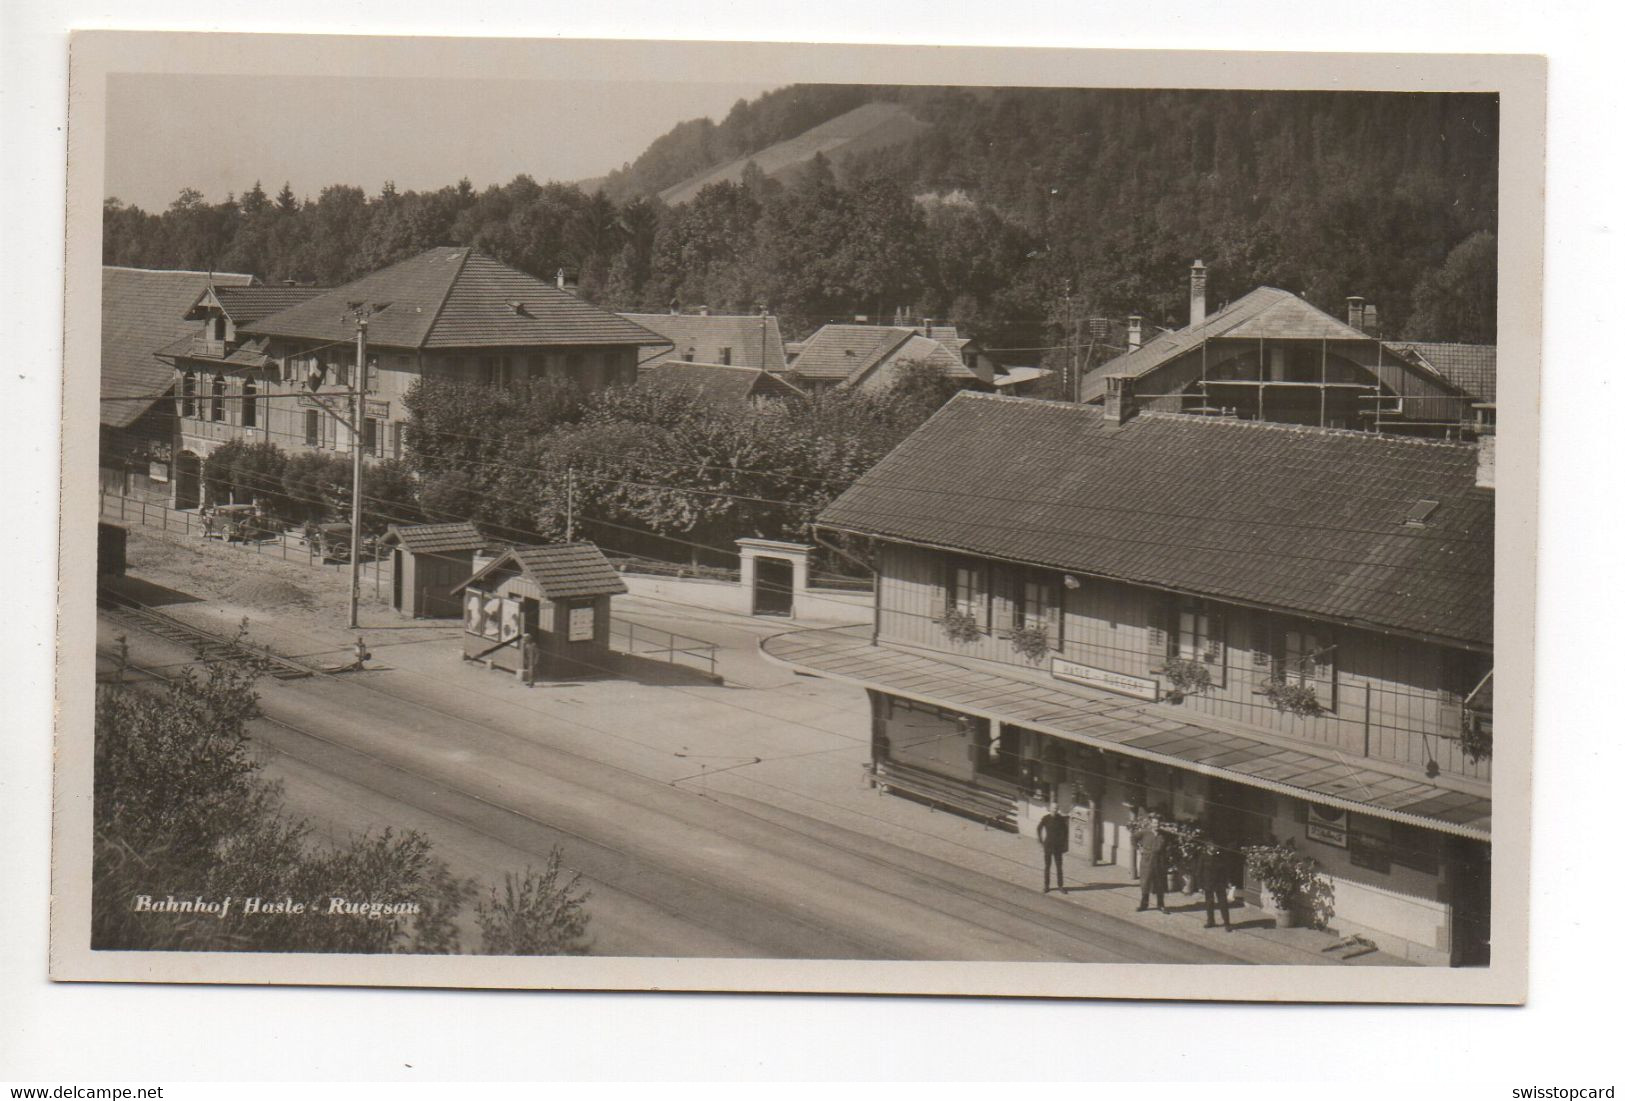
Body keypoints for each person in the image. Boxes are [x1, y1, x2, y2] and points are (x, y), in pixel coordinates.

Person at [1196, 839, 1233, 930]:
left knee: (1223, 903)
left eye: (1215, 847)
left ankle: (1227, 923)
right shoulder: (1203, 857)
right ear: (1208, 847)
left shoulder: (1219, 857)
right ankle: (1210, 921)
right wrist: (1200, 886)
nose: (1215, 848)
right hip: (1208, 883)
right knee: (1209, 903)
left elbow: (1225, 870)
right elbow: (1199, 872)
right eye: (1212, 846)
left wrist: (1228, 881)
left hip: (1219, 883)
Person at [1136, 812, 1169, 913]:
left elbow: (1168, 846)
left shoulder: (1164, 834)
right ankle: (1144, 905)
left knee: (1160, 884)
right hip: (1147, 862)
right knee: (1145, 883)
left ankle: (1161, 905)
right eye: (1155, 823)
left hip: (1159, 862)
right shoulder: (1145, 832)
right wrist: (1139, 848)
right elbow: (1133, 838)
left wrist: (1166, 855)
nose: (1156, 825)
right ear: (1151, 823)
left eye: (1158, 823)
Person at [1037, 806, 1070, 893]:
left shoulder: (1061, 819)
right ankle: (1046, 886)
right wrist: (1040, 841)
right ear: (1050, 809)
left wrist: (1063, 843)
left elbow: (1066, 831)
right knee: (1047, 867)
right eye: (1053, 808)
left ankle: (1060, 886)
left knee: (1059, 867)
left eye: (1056, 808)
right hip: (1048, 846)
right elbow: (1039, 828)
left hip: (1058, 847)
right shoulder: (1046, 818)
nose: (1055, 810)